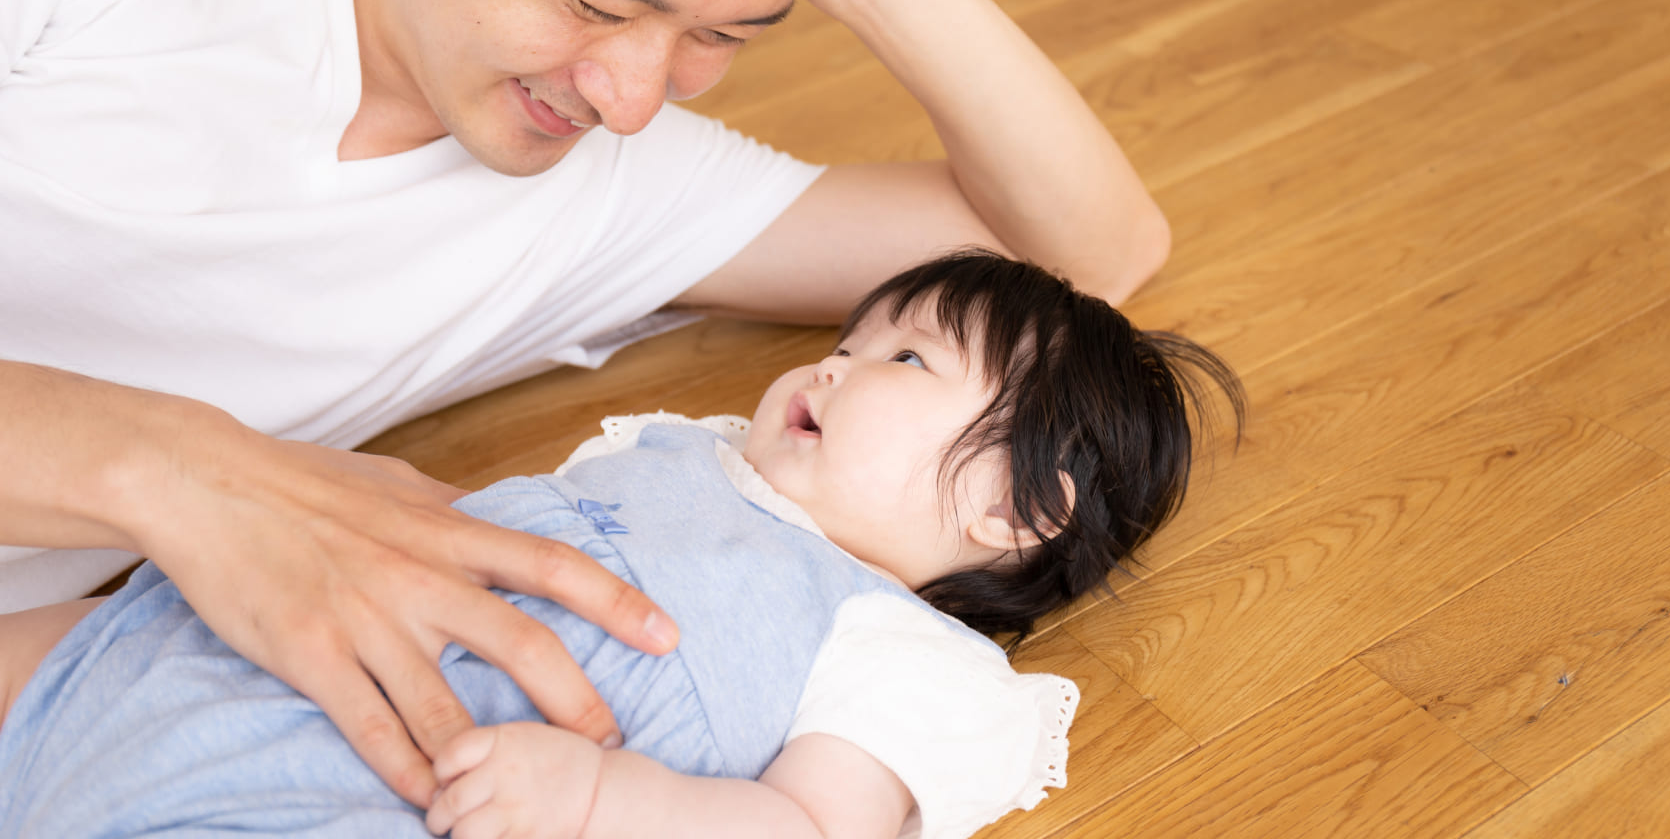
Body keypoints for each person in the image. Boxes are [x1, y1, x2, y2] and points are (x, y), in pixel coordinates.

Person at [0, 0, 1171, 807]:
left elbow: (1092, 250)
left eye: (719, 34)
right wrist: (175, 470)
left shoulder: (604, 181)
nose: (632, 97)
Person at [0, 252, 1243, 838]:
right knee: (69, 641)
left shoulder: (906, 657)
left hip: (373, 787)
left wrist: (607, 802)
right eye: (846, 341)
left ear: (1014, 510)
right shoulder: (688, 453)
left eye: (905, 358)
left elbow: (806, 831)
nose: (831, 365)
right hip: (213, 643)